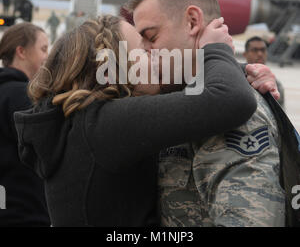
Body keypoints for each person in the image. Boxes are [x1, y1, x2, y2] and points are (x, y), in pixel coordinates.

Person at [14, 14, 260, 227]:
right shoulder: (105, 125)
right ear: (110, 70)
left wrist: (242, 72)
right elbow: (229, 99)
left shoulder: (82, 123)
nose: (155, 54)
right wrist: (215, 50)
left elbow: (198, 98)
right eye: (143, 50)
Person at [126, 0, 285, 227]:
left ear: (192, 21)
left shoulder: (229, 113)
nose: (143, 51)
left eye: (152, 37)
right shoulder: (183, 94)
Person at [0, 23, 50, 227]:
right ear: (21, 51)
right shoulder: (22, 95)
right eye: (44, 49)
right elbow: (46, 150)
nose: (47, 57)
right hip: (23, 213)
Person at [244, 36, 285, 109]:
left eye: (263, 50)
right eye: (254, 50)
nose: (260, 54)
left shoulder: (275, 84)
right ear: (245, 54)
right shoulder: (238, 79)